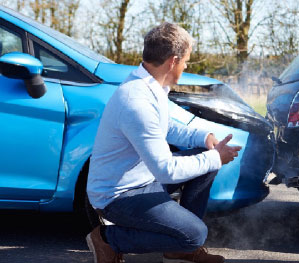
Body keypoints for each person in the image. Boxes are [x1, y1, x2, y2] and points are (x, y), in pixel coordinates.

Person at [85, 22, 241, 263]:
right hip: (118, 195)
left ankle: (180, 245)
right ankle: (109, 238)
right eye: (187, 61)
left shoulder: (151, 86)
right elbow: (166, 171)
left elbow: (163, 127)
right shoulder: (136, 100)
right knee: (195, 234)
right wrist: (215, 157)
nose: (187, 66)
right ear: (173, 61)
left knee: (205, 155)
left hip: (143, 177)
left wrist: (203, 138)